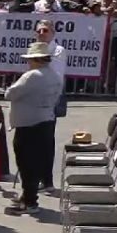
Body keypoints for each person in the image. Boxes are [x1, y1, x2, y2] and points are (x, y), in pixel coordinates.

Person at [5, 42, 61, 213]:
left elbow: (10, 94)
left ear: (36, 60)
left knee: (26, 163)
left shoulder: (32, 76)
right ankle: (28, 196)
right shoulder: (54, 75)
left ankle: (30, 201)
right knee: (35, 162)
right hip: (45, 121)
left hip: (29, 124)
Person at [34, 20, 67, 190]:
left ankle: (47, 180)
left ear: (53, 33)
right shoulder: (34, 49)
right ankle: (38, 176)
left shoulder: (58, 51)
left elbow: (54, 75)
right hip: (35, 100)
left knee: (47, 140)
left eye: (45, 30)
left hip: (50, 100)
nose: (41, 33)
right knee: (36, 140)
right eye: (38, 31)